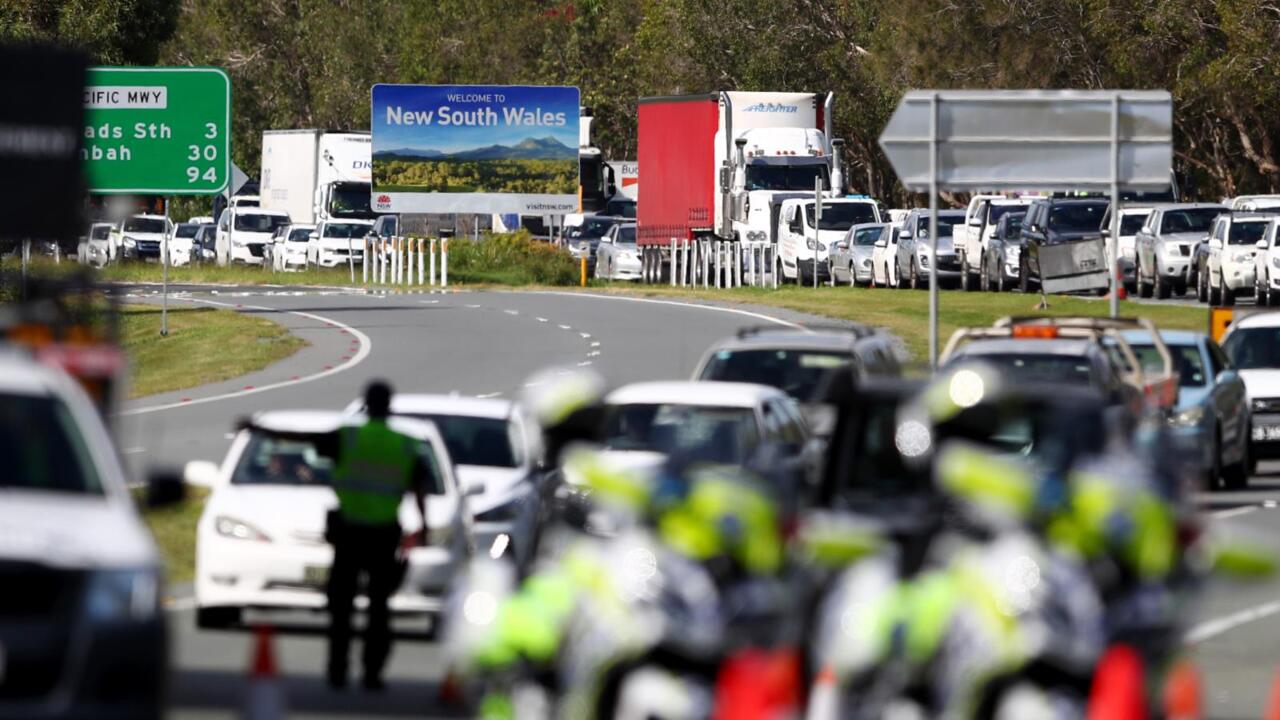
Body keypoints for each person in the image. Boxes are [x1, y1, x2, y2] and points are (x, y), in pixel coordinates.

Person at [242, 380, 432, 691]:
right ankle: (372, 673)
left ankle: (337, 670)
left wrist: (260, 430)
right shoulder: (404, 444)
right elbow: (420, 488)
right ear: (390, 405)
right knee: (379, 608)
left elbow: (302, 439)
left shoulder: (350, 437)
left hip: (350, 532)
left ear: (366, 404)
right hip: (384, 535)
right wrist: (422, 527)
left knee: (341, 607)